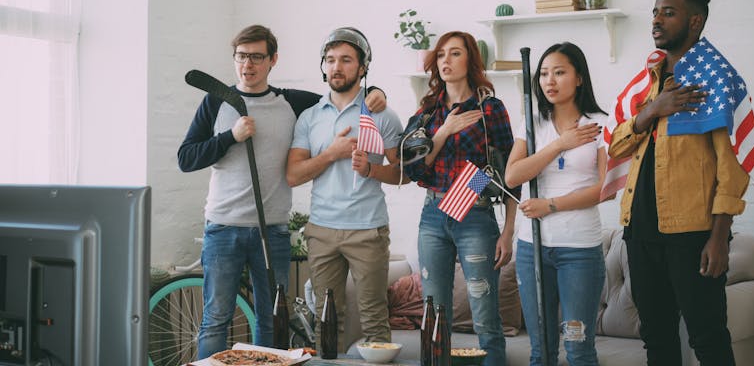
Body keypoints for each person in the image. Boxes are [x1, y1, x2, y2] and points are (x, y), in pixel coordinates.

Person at [177, 24, 386, 359]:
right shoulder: (216, 102)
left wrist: (376, 90)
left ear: (272, 60)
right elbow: (186, 158)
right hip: (222, 228)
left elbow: (340, 94)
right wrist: (230, 136)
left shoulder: (292, 103)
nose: (248, 65)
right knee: (216, 319)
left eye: (257, 57)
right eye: (242, 56)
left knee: (272, 319)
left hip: (271, 231)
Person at [607, 0, 750, 365]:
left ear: (694, 21)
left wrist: (719, 238)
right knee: (657, 339)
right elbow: (617, 145)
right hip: (639, 233)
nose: (656, 19)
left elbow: (732, 170)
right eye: (655, 11)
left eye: (668, 12)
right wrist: (653, 110)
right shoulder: (648, 83)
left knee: (708, 339)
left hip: (692, 235)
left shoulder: (713, 80)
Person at [402, 31, 517, 366]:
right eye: (441, 55)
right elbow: (413, 171)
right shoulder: (427, 113)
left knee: (485, 315)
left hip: (477, 216)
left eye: (455, 54)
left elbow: (510, 173)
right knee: (434, 315)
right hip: (433, 215)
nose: (446, 61)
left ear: (470, 60)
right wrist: (444, 131)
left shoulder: (490, 109)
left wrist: (508, 232)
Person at [286, 27, 405, 349]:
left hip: (367, 230)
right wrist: (331, 154)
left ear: (363, 68)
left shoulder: (381, 115)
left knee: (374, 317)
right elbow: (293, 175)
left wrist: (371, 169)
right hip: (321, 230)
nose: (336, 67)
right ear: (323, 66)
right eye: (330, 60)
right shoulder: (309, 118)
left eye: (346, 60)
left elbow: (404, 173)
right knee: (325, 319)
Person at [505, 42, 607, 366]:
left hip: (579, 250)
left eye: (560, 72)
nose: (550, 81)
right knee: (542, 352)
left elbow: (606, 189)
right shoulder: (533, 124)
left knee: (578, 350)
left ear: (579, 78)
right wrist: (560, 145)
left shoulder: (601, 124)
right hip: (531, 249)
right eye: (544, 74)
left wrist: (550, 205)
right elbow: (512, 176)